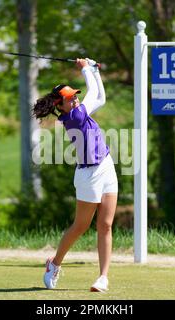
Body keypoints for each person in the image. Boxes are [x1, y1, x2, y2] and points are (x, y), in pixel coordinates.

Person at [32, 58, 118, 292]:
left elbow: (100, 98)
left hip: (106, 167)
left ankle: (103, 277)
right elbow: (93, 94)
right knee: (81, 226)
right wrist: (86, 69)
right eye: (70, 98)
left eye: (74, 95)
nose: (74, 98)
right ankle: (54, 264)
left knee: (106, 225)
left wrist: (95, 71)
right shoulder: (74, 117)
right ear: (61, 106)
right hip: (88, 176)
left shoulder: (79, 110)